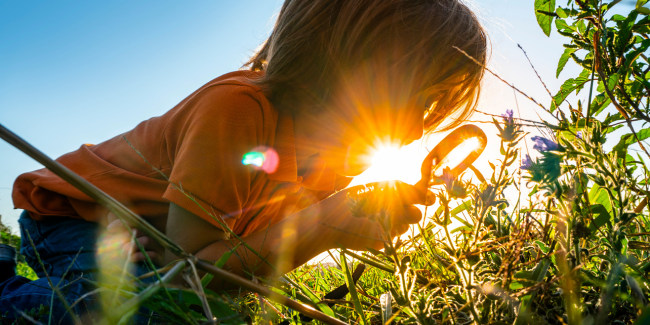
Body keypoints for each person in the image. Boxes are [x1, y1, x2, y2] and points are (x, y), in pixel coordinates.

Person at [1, 0, 487, 322]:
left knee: (209, 312)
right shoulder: (239, 111)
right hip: (76, 216)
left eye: (435, 108)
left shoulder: (337, 159)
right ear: (349, 66)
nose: (423, 126)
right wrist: (325, 223)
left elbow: (247, 268)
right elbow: (188, 271)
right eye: (419, 99)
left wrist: (334, 226)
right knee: (135, 314)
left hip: (166, 241)